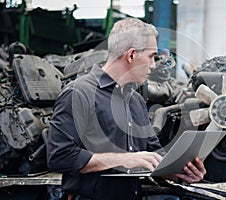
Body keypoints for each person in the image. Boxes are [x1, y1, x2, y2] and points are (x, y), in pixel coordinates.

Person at [46, 18, 206, 200]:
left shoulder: (135, 100)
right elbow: (60, 156)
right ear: (131, 55)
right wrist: (122, 159)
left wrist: (181, 172)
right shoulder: (79, 93)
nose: (153, 65)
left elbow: (153, 155)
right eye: (151, 56)